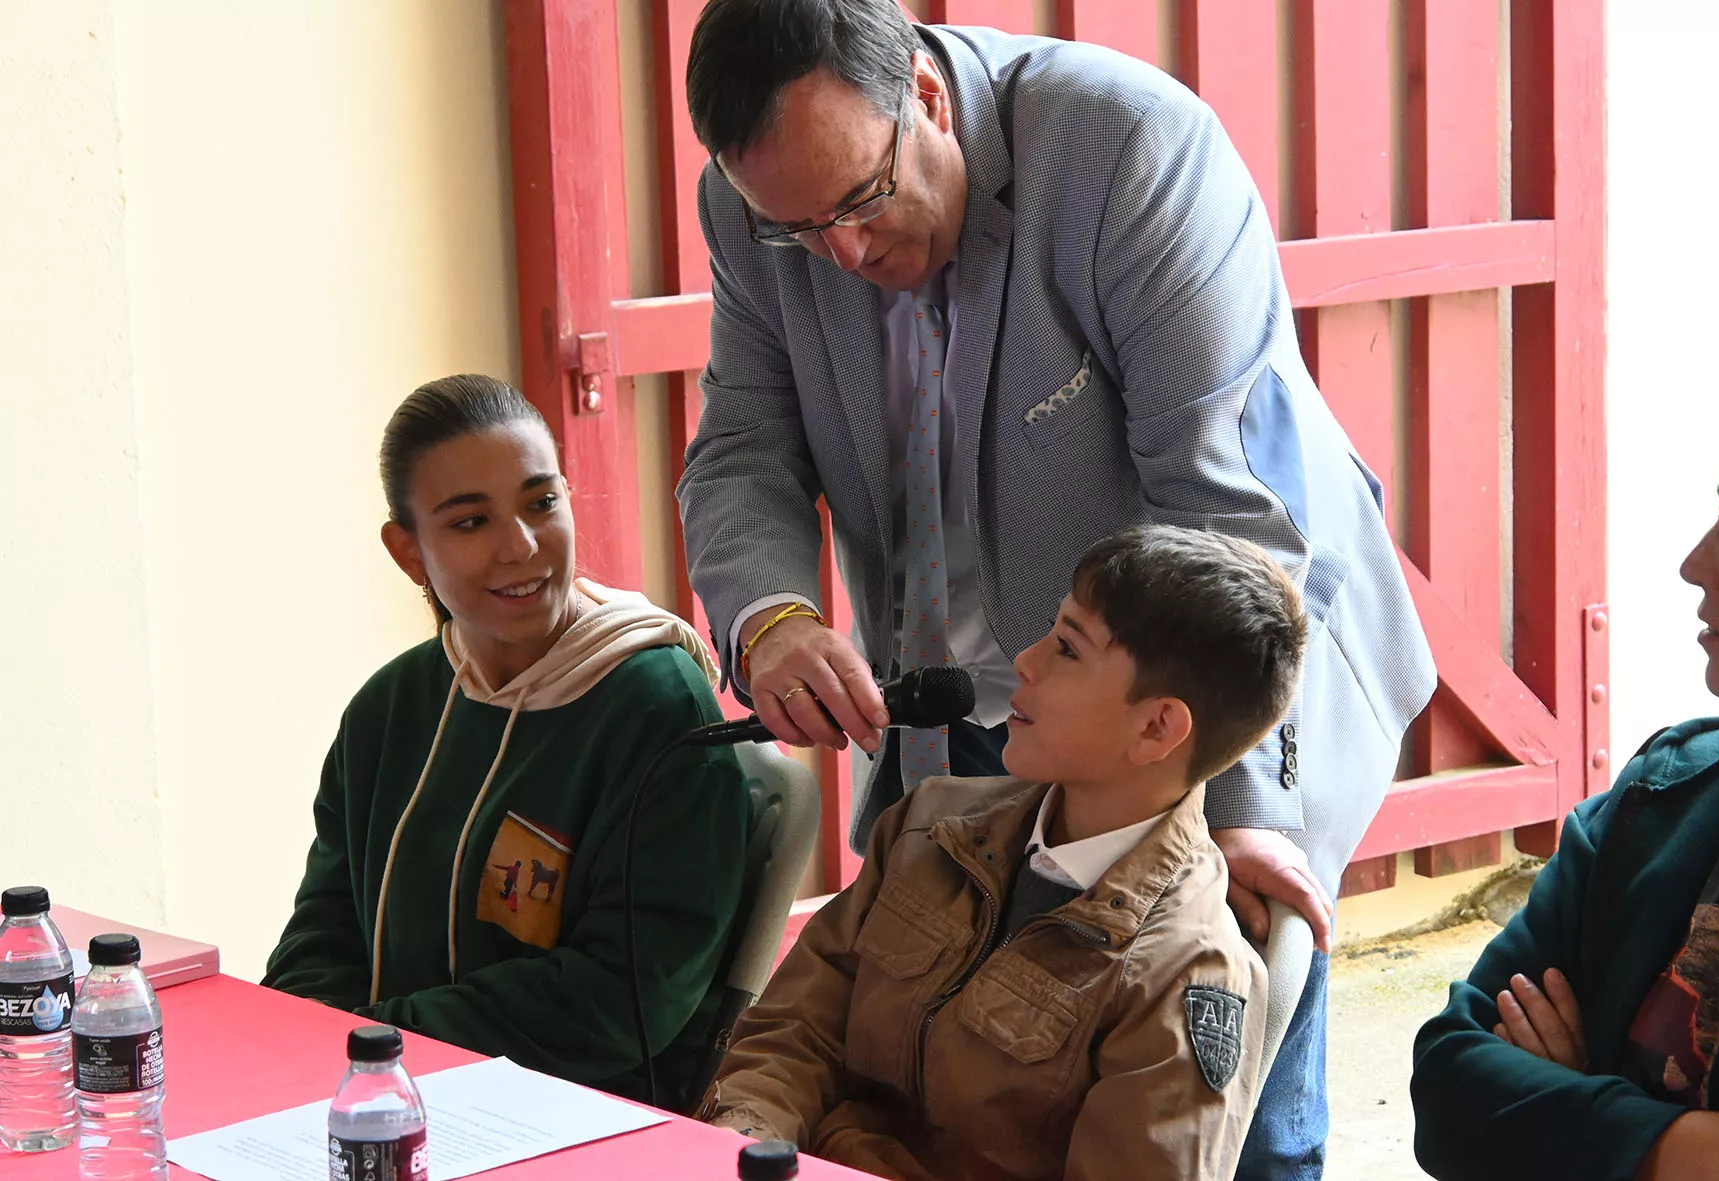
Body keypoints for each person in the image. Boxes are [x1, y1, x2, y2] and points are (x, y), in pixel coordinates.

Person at [676, 2, 1437, 1172]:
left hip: (1185, 706)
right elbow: (743, 446)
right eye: (797, 230)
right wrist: (773, 618)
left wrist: (1227, 807)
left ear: (924, 98)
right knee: (954, 1086)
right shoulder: (754, 208)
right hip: (965, 722)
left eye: (859, 202)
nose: (841, 256)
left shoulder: (1129, 151)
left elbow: (1234, 518)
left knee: (1237, 1119)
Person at [702, 525, 1311, 1180]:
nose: (1026, 659)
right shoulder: (928, 824)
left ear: (1157, 726)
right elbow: (792, 1034)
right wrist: (745, 1143)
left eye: (1069, 649)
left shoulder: (1185, 971)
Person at [262, 374, 751, 1109]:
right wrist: (311, 1049)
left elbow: (623, 999)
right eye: (469, 522)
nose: (520, 546)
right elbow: (323, 935)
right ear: (409, 552)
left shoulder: (655, 708)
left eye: (541, 503)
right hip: (385, 1099)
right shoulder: (389, 709)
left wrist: (376, 1044)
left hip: (578, 1118)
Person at [1412, 420, 1719, 1180]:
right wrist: (1685, 1149)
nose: (1693, 565)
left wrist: (1571, 1114)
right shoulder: (1664, 794)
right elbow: (1449, 1077)